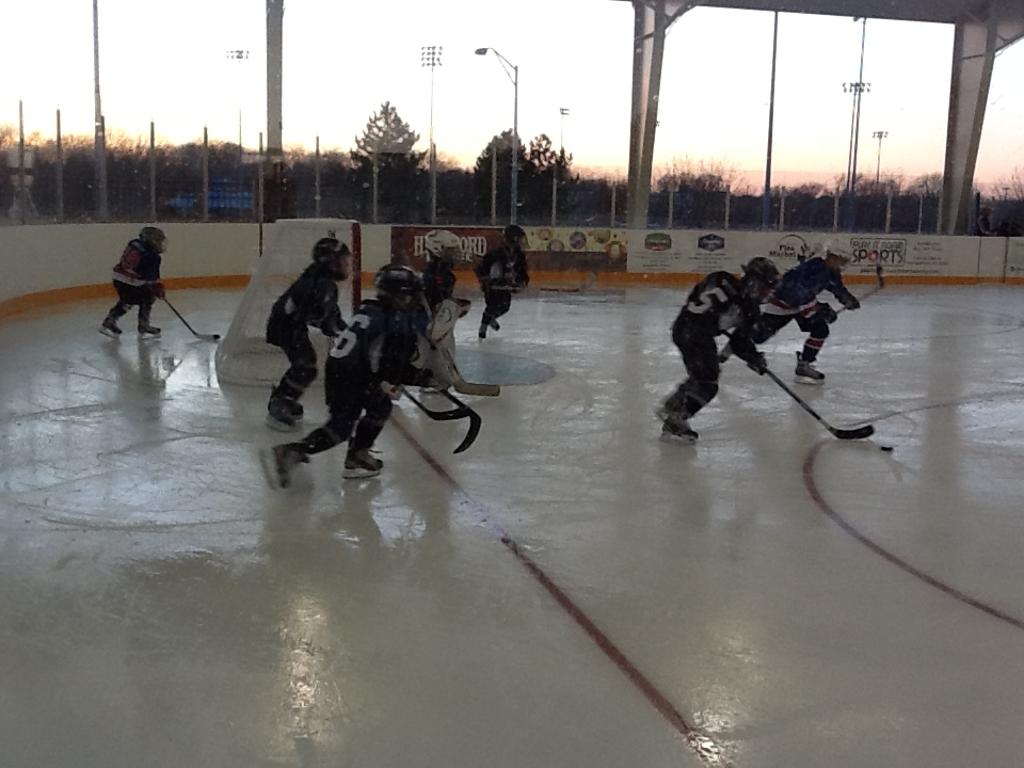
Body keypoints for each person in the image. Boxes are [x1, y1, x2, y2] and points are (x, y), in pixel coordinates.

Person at [261, 264, 428, 488]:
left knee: (377, 408)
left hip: (340, 370)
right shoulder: (393, 321)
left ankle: (353, 453)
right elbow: (389, 364)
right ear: (396, 295)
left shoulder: (370, 310)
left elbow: (376, 357)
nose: (414, 300)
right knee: (343, 426)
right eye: (409, 294)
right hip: (354, 375)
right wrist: (418, 377)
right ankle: (299, 450)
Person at [657, 257, 780, 445]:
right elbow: (734, 335)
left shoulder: (723, 280)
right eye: (765, 287)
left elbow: (739, 340)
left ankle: (673, 407)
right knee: (707, 382)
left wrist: (752, 356)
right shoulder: (747, 306)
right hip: (695, 334)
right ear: (753, 281)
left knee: (703, 376)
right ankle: (675, 419)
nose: (767, 293)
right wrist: (751, 355)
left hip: (685, 329)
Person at [264, 237, 352, 431]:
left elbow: (330, 314)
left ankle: (283, 398)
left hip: (291, 324)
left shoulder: (322, 280)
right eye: (342, 262)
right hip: (285, 326)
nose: (346, 266)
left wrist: (346, 331)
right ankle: (280, 403)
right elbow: (324, 319)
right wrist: (342, 332)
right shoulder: (319, 284)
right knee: (305, 365)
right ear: (329, 263)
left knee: (306, 364)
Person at [752, 243, 860, 384]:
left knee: (820, 330)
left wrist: (848, 299)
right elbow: (798, 296)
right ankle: (733, 345)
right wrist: (820, 309)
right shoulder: (813, 268)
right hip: (784, 304)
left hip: (802, 304)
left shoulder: (832, 273)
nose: (843, 264)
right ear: (833, 257)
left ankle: (804, 364)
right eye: (842, 260)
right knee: (758, 337)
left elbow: (837, 288)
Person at [420, 229, 472, 389]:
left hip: (437, 328)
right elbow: (434, 304)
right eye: (451, 250)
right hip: (430, 328)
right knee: (438, 349)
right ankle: (434, 377)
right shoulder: (431, 275)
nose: (455, 253)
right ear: (438, 249)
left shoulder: (445, 274)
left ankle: (437, 376)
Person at [100, 226, 168, 337]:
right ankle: (143, 326)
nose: (159, 244)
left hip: (118, 278)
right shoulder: (152, 257)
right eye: (158, 241)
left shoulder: (134, 243)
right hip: (132, 282)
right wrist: (158, 288)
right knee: (147, 299)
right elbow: (151, 279)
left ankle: (110, 321)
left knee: (127, 301)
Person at [475, 224, 529, 339]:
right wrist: (484, 278)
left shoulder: (519, 255)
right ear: (513, 239)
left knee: (505, 307)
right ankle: (483, 326)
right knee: (492, 305)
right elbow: (481, 268)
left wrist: (522, 282)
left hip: (506, 286)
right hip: (492, 287)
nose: (521, 242)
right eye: (519, 239)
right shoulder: (495, 254)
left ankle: (490, 319)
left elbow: (522, 271)